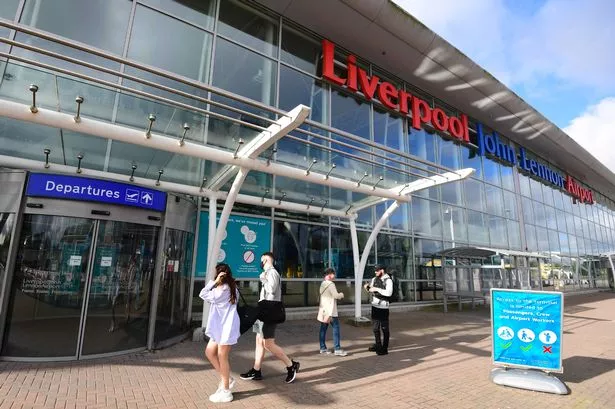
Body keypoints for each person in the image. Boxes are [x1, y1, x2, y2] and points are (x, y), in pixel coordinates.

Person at [240, 251, 300, 383]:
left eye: (262, 260)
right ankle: (256, 370)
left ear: (266, 260)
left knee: (268, 344)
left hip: (269, 312)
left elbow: (271, 289)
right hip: (263, 311)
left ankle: (291, 365)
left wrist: (263, 279)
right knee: (259, 341)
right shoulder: (268, 273)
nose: (260, 263)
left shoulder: (272, 273)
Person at [199, 263, 241, 403]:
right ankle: (226, 379)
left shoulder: (222, 290)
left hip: (225, 328)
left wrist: (214, 282)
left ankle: (226, 390)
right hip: (221, 327)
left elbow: (203, 294)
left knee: (222, 356)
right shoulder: (232, 287)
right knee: (210, 352)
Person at [317, 267, 348, 356]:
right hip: (331, 311)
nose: (334, 276)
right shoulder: (331, 284)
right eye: (333, 274)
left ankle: (322, 348)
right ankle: (337, 348)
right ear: (330, 274)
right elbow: (335, 295)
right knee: (336, 329)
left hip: (324, 310)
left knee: (323, 329)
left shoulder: (323, 284)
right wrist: (341, 294)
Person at [363, 264, 393, 355]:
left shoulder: (388, 280)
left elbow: (389, 293)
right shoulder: (374, 279)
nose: (375, 272)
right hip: (375, 306)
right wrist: (367, 288)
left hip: (383, 307)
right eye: (375, 270)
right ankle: (378, 345)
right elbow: (371, 290)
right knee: (375, 328)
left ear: (382, 270)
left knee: (384, 328)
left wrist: (376, 289)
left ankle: (384, 348)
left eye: (377, 270)